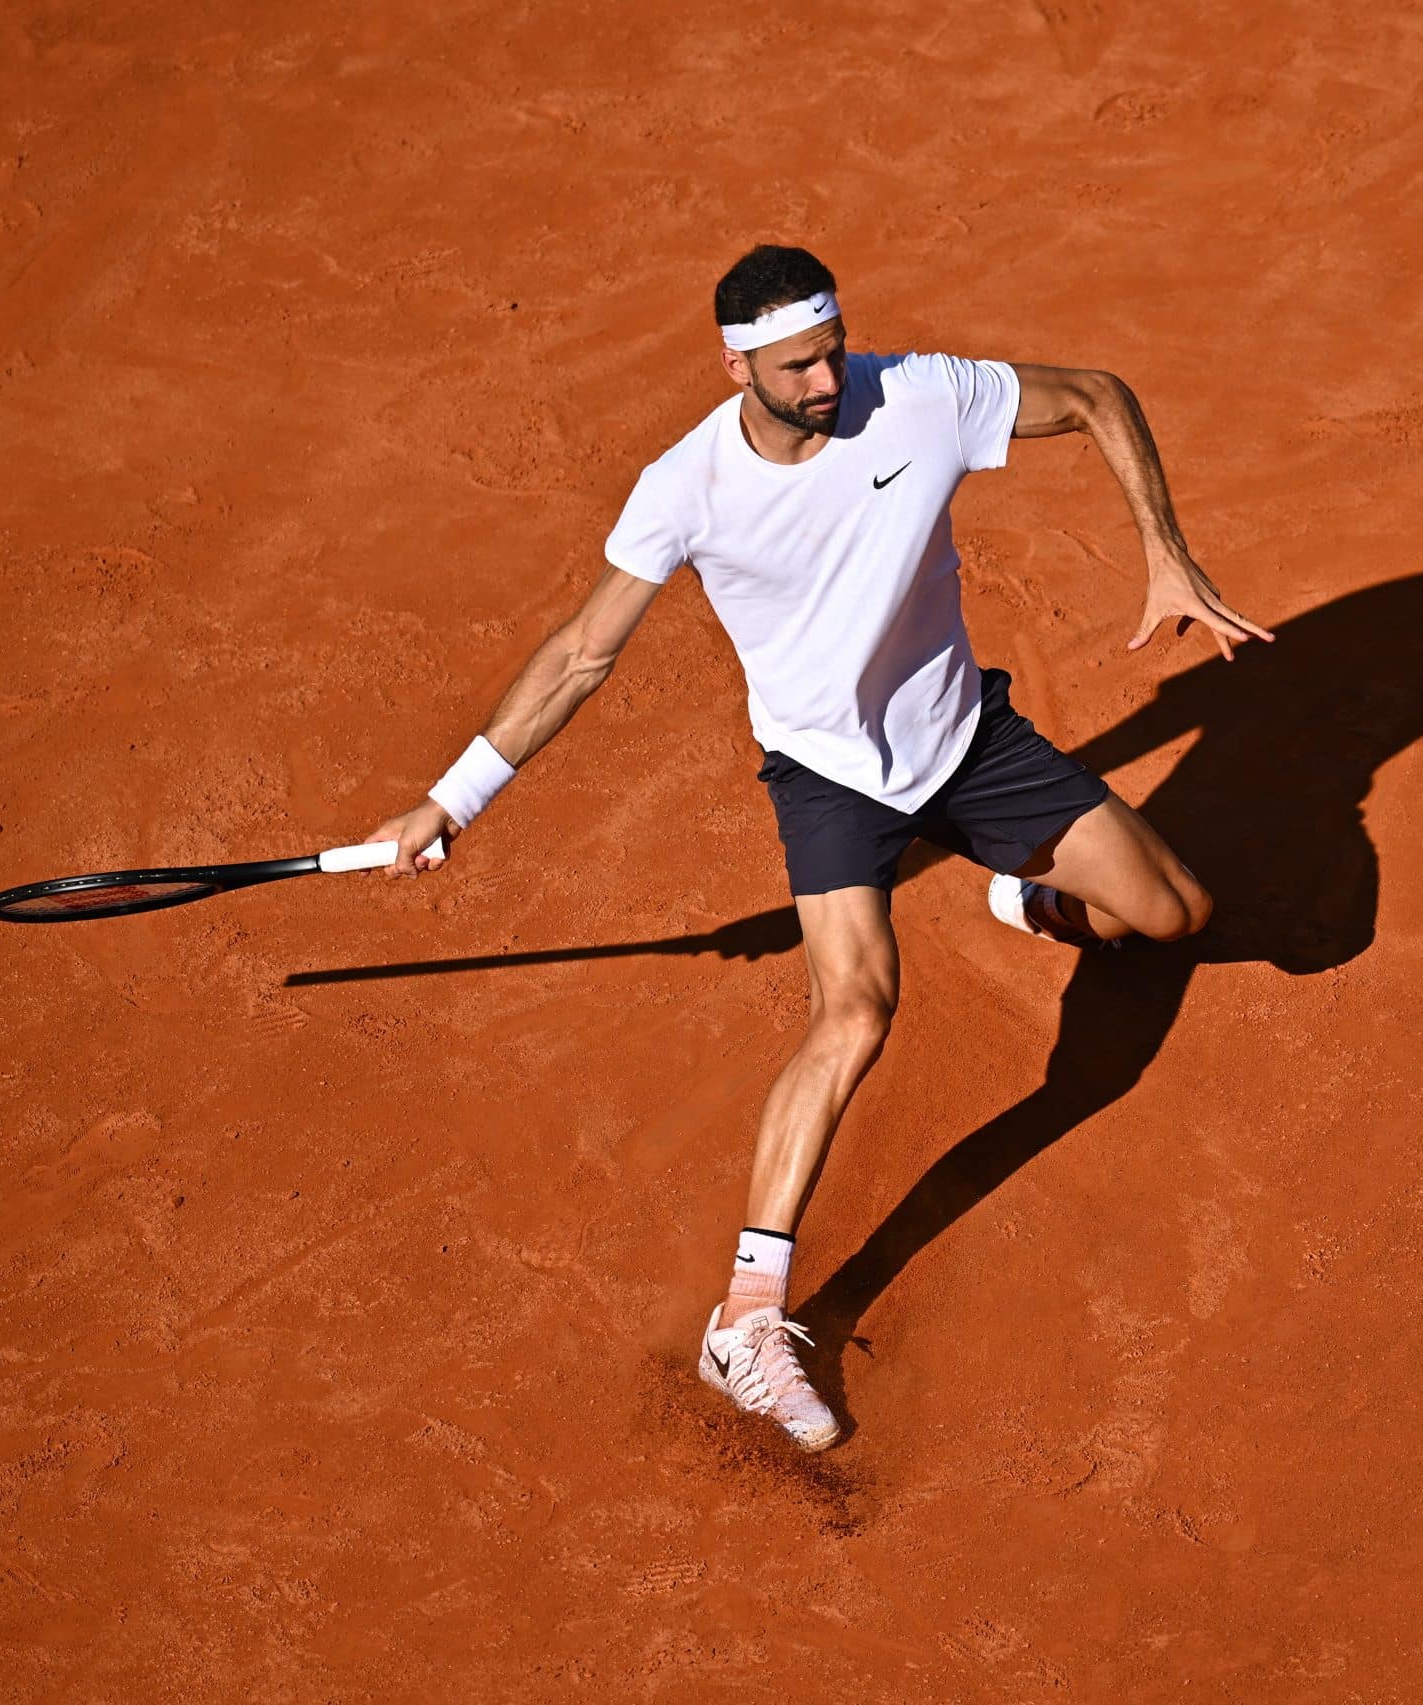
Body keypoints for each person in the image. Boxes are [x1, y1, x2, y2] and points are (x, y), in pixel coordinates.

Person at [365, 244, 1271, 1451]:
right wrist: (453, 799)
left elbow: (1098, 394)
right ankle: (749, 1316)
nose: (829, 376)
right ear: (733, 361)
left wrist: (1166, 551)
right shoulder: (684, 486)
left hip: (965, 737)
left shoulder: (920, 396)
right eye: (798, 363)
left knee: (1178, 919)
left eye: (834, 347)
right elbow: (585, 651)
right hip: (828, 774)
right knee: (855, 1008)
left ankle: (1029, 901)